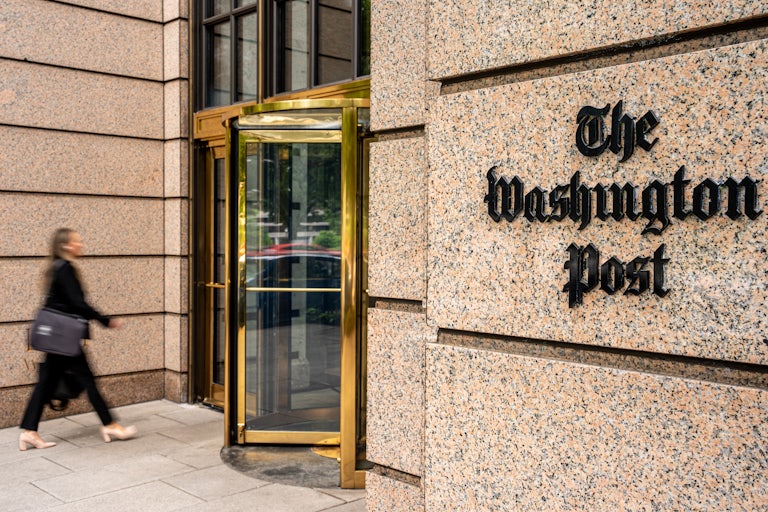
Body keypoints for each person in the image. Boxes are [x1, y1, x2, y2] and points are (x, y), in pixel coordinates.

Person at [19, 228, 137, 450]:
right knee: (87, 380)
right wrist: (105, 320)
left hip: (59, 338)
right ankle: (109, 424)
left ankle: (29, 431)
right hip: (64, 338)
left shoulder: (57, 268)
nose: (80, 245)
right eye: (76, 242)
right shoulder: (65, 268)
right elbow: (77, 304)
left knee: (46, 383)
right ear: (65, 245)